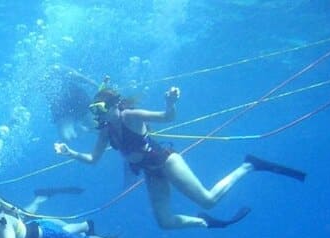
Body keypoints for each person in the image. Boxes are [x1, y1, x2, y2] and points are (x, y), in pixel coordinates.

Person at [54, 86, 307, 229]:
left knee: (208, 199)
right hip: (151, 172)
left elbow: (167, 118)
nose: (96, 115)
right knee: (165, 222)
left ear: (113, 106)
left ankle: (249, 165)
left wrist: (170, 102)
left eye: (98, 109)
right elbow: (92, 160)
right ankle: (204, 223)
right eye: (93, 111)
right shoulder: (106, 133)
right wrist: (70, 153)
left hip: (166, 161)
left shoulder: (131, 115)